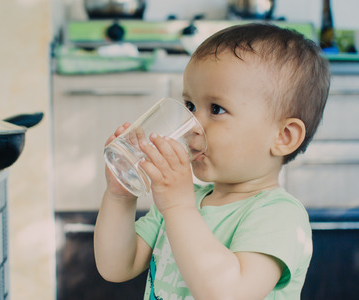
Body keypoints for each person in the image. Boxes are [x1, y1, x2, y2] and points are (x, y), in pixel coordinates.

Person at [94, 23, 331, 300]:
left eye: (216, 109)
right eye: (190, 105)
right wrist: (121, 197)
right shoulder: (181, 202)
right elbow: (116, 267)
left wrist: (178, 206)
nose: (193, 125)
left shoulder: (279, 216)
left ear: (283, 137)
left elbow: (227, 293)